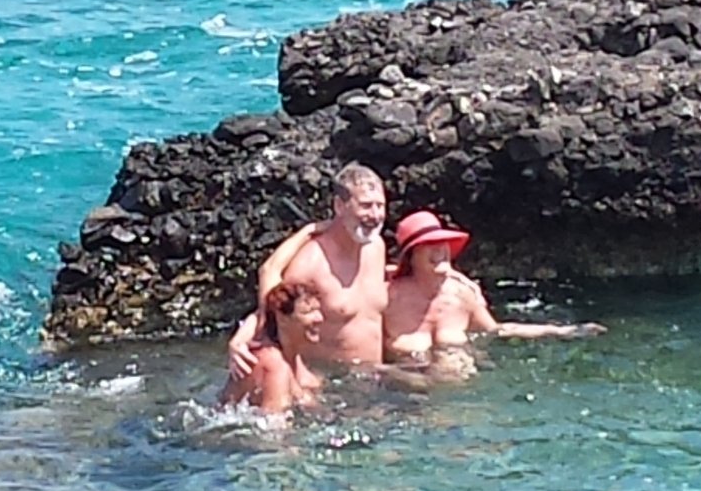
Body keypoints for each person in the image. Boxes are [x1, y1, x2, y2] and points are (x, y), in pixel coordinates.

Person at [383, 210, 605, 371]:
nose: (440, 249)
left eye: (443, 242)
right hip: (410, 396)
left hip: (460, 400)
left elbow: (496, 331)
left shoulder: (462, 295)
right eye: (428, 245)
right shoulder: (387, 298)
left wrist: (562, 332)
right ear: (411, 256)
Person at [225, 162, 390, 378]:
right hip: (332, 381)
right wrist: (240, 339)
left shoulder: (377, 247)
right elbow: (275, 306)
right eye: (366, 206)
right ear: (339, 206)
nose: (376, 215)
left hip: (375, 376)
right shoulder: (311, 261)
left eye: (380, 206)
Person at [218, 279, 325, 417]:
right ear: (282, 319)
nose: (319, 318)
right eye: (308, 312)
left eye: (318, 310)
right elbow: (273, 425)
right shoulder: (274, 366)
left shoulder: (295, 360)